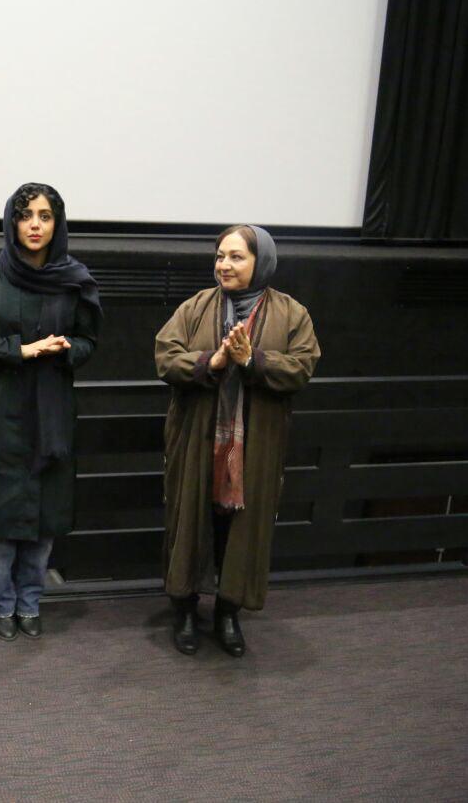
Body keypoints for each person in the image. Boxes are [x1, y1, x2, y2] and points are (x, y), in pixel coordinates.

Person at [154, 224, 320, 657]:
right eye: (220, 256)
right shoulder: (195, 307)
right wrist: (212, 360)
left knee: (241, 530)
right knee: (190, 521)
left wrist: (252, 360)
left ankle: (228, 613)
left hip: (255, 445)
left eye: (236, 257)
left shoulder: (291, 313)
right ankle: (185, 610)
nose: (224, 265)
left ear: (260, 262)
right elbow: (165, 357)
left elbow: (302, 368)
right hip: (197, 440)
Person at [0, 183, 101, 640]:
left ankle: (30, 603)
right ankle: (1, 604)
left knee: (44, 519)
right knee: (0, 520)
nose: (34, 225)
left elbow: (89, 340)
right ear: (11, 222)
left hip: (53, 412)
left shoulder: (74, 279)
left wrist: (66, 348)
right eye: (25, 215)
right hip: (2, 411)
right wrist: (21, 350)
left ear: (58, 224)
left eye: (45, 216)